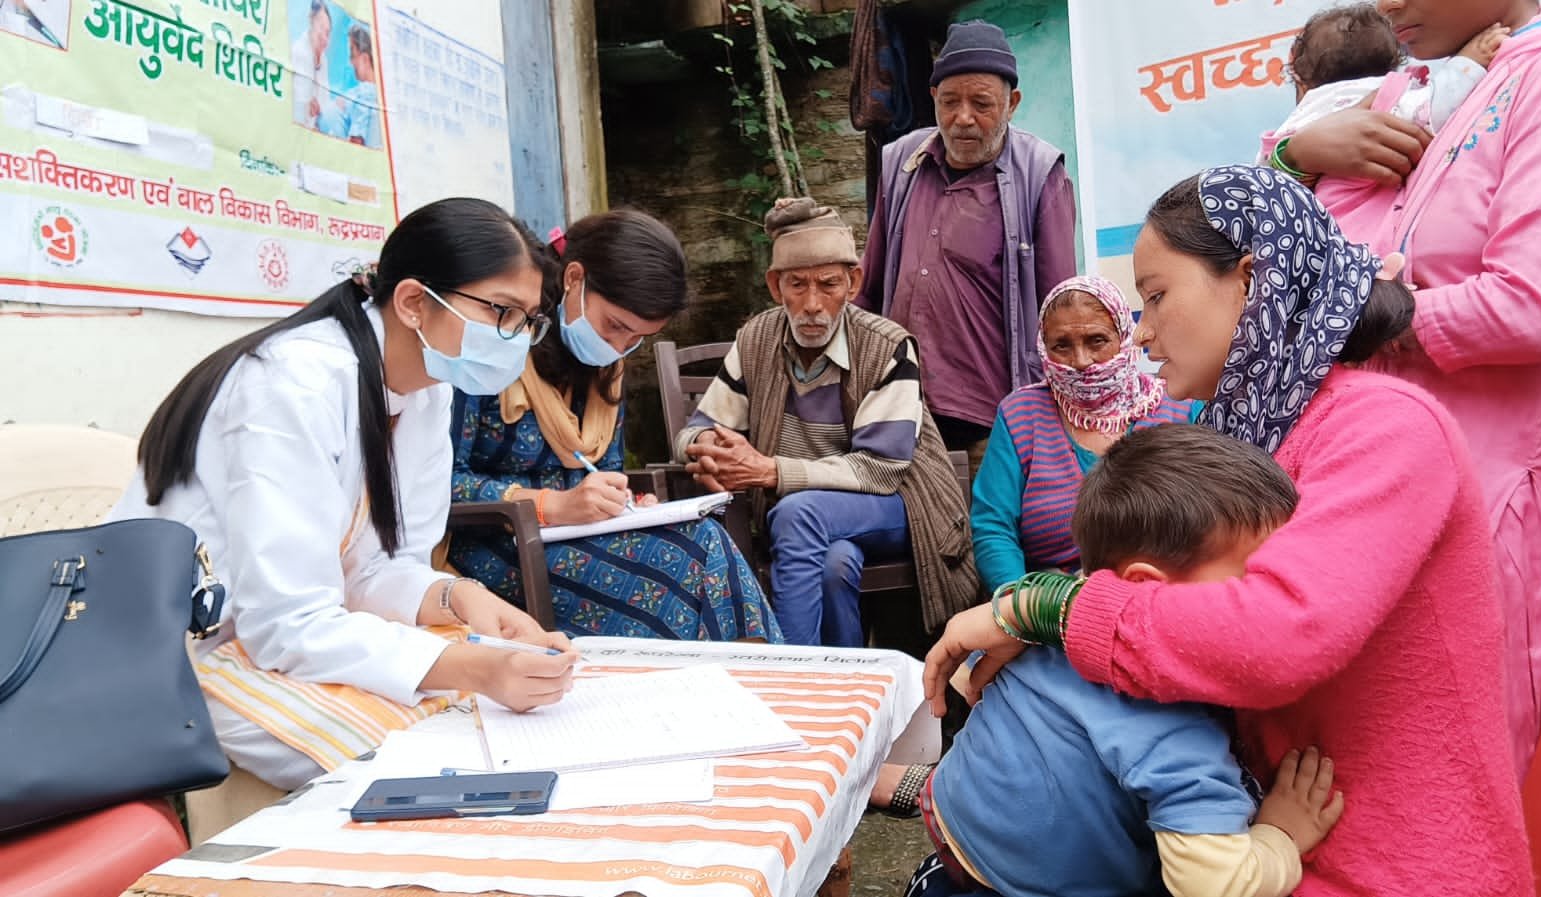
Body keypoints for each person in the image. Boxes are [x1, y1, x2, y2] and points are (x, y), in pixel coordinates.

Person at [923, 167, 1532, 896]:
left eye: (1156, 295)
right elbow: (1175, 569)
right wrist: (1040, 613)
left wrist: (1045, 607)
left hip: (1393, 859)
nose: (1141, 331)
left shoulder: (1387, 426)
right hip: (1279, 842)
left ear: (1249, 280)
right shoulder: (1250, 431)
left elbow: (1278, 631)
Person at [107, 198, 577, 791]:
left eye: (528, 321)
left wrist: (457, 596)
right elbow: (284, 622)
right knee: (437, 758)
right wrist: (472, 666)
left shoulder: (429, 389)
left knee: (484, 717)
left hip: (295, 633)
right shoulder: (291, 383)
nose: (517, 339)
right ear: (413, 302)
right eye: (503, 312)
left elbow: (373, 569)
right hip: (189, 652)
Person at [1272, 0, 1541, 776]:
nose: (1387, 5)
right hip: (1375, 497)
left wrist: (1354, 318)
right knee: (1383, 773)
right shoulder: (1422, 89)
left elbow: (1533, 306)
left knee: (1485, 773)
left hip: (1493, 504)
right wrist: (1295, 154)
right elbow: (1281, 244)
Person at [913, 424, 1341, 897]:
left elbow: (969, 681)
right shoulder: (1175, 726)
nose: (1272, 598)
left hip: (950, 835)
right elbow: (1215, 885)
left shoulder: (1045, 624)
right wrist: (1280, 835)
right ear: (1143, 590)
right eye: (1256, 579)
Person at [446, 209, 780, 642]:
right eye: (615, 326)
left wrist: (624, 502)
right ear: (574, 278)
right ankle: (730, 676)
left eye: (636, 338)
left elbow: (606, 471)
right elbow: (439, 482)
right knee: (680, 569)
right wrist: (552, 505)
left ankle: (756, 670)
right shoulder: (495, 349)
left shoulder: (606, 368)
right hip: (494, 544)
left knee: (704, 539)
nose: (618, 346)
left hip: (579, 536)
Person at [675, 197, 978, 650]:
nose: (813, 304)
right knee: (835, 565)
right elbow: (694, 431)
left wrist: (771, 471)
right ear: (775, 286)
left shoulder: (888, 347)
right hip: (812, 529)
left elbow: (882, 469)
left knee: (799, 512)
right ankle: (847, 679)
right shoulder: (756, 339)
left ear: (853, 283)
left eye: (829, 284)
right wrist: (708, 450)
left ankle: (793, 673)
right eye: (797, 285)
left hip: (900, 505)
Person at [856, 20, 1077, 469]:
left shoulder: (1039, 175)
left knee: (982, 516)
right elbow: (869, 286)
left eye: (982, 104)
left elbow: (1060, 312)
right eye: (950, 101)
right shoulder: (902, 164)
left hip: (993, 424)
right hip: (902, 414)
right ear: (933, 97)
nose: (963, 118)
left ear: (1012, 104)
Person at [969, 274, 1195, 592]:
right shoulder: (1021, 414)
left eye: (1096, 340)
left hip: (1165, 594)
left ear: (1124, 336)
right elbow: (993, 527)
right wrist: (1021, 601)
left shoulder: (1178, 406)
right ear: (1043, 348)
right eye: (1061, 345)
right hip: (1051, 601)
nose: (1081, 361)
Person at [1257, 5, 1507, 168]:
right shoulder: (1387, 96)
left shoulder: (1297, 122)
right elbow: (1431, 110)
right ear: (1393, 62)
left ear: (1300, 73)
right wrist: (1469, 61)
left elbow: (1263, 175)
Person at [290, 0, 340, 135]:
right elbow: (298, 104)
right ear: (311, 22)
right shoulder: (299, 52)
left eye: (327, 32)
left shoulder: (323, 59)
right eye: (321, 29)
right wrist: (308, 105)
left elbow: (325, 103)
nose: (324, 38)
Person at [345, 24, 383, 150]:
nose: (351, 62)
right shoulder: (383, 95)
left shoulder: (364, 92)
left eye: (352, 54)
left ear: (365, 59)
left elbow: (356, 143)